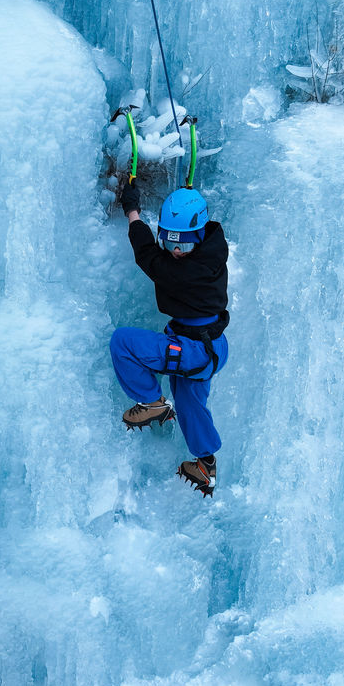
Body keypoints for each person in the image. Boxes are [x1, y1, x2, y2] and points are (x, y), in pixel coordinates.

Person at [110, 179, 229, 497]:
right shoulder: (214, 246)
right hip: (211, 346)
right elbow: (158, 251)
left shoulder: (191, 269)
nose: (176, 252)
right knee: (190, 401)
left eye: (185, 246)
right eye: (170, 242)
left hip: (193, 349)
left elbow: (147, 256)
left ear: (200, 239)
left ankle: (151, 402)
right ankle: (206, 466)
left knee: (122, 342)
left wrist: (132, 212)